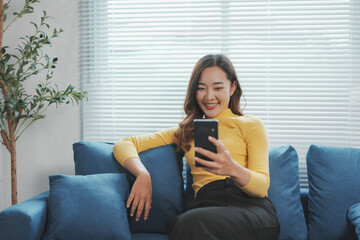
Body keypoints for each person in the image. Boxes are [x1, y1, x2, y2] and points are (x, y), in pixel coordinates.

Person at [113, 54, 280, 240]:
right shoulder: (186, 131)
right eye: (201, 89)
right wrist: (142, 174)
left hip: (251, 211)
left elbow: (261, 187)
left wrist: (232, 169)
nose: (209, 96)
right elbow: (124, 144)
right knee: (186, 223)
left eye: (218, 87)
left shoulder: (251, 124)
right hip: (205, 208)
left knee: (186, 224)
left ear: (232, 87)